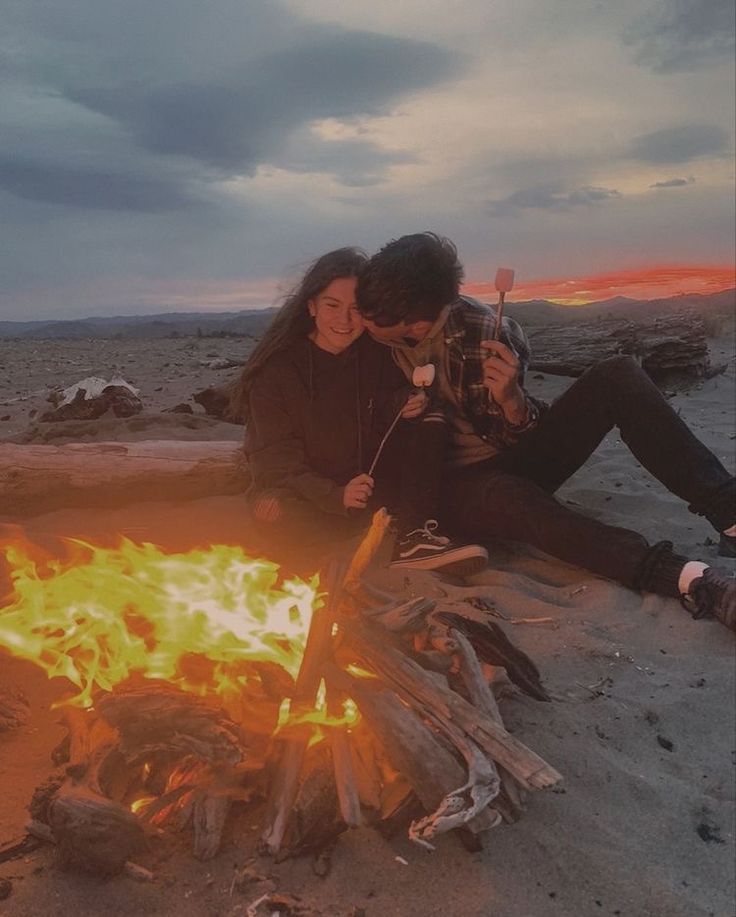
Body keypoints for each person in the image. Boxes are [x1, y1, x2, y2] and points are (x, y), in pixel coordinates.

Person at [355, 232, 736, 631]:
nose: (361, 327)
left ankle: (729, 513)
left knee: (617, 375)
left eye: (373, 325)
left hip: (506, 454)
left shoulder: (485, 329)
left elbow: (514, 435)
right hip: (447, 488)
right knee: (508, 496)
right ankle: (684, 577)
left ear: (412, 323)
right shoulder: (370, 341)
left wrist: (511, 401)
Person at [237, 246, 488, 575]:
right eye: (332, 305)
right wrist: (335, 495)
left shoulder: (377, 353)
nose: (344, 320)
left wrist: (405, 403)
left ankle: (412, 537)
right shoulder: (276, 372)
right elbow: (275, 462)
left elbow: (386, 405)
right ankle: (342, 549)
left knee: (433, 418)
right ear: (311, 306)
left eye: (356, 309)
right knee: (273, 511)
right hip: (310, 495)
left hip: (367, 488)